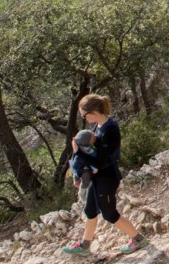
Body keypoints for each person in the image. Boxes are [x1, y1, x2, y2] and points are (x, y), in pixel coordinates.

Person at [62, 94, 147, 255]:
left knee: (109, 213)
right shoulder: (97, 127)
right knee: (90, 210)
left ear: (93, 112)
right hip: (98, 177)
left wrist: (78, 152)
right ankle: (84, 245)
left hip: (107, 177)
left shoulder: (110, 130)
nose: (84, 118)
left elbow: (100, 160)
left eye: (84, 115)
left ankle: (137, 239)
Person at [69, 129, 97, 206]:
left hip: (88, 168)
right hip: (84, 170)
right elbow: (77, 166)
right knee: (85, 183)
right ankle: (83, 197)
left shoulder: (86, 148)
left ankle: (89, 195)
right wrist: (76, 178)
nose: (95, 138)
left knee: (90, 182)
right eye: (93, 138)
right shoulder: (80, 154)